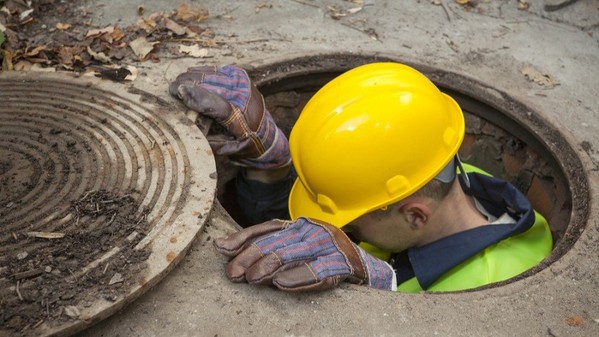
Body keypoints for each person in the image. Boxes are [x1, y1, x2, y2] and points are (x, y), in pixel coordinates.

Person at [169, 63, 553, 293]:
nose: (345, 230)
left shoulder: (487, 287)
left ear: (415, 215)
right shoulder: (433, 174)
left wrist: (381, 292)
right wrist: (270, 170)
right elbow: (296, 240)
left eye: (351, 222)